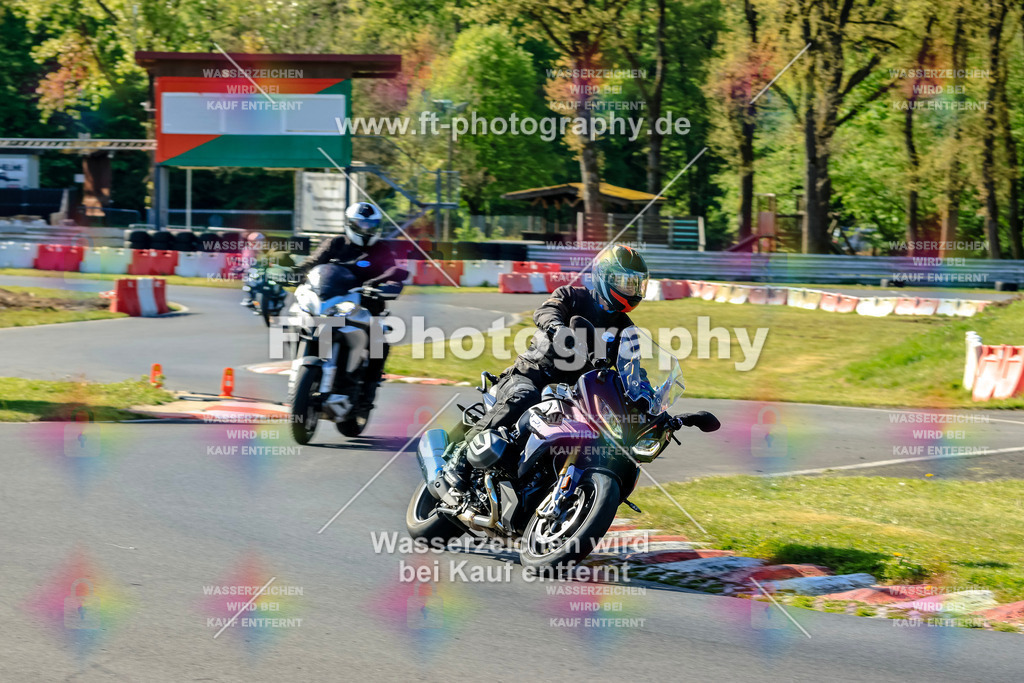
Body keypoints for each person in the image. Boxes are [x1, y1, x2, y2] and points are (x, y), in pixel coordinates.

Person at [448, 244, 650, 486]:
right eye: (626, 282)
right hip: (532, 375)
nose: (632, 290)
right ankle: (462, 455)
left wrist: (652, 399)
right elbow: (546, 311)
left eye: (636, 284)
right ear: (605, 277)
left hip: (572, 397)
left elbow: (633, 371)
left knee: (602, 436)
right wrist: (558, 328)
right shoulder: (572, 296)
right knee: (524, 396)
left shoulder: (627, 330)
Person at [294, 201, 409, 414]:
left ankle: (368, 392)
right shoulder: (336, 243)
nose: (366, 229)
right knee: (302, 320)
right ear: (349, 224)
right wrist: (295, 272)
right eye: (361, 224)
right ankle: (303, 375)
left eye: (371, 225)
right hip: (331, 302)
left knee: (379, 341)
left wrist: (388, 285)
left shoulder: (382, 249)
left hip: (367, 307)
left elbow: (393, 270)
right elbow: (313, 262)